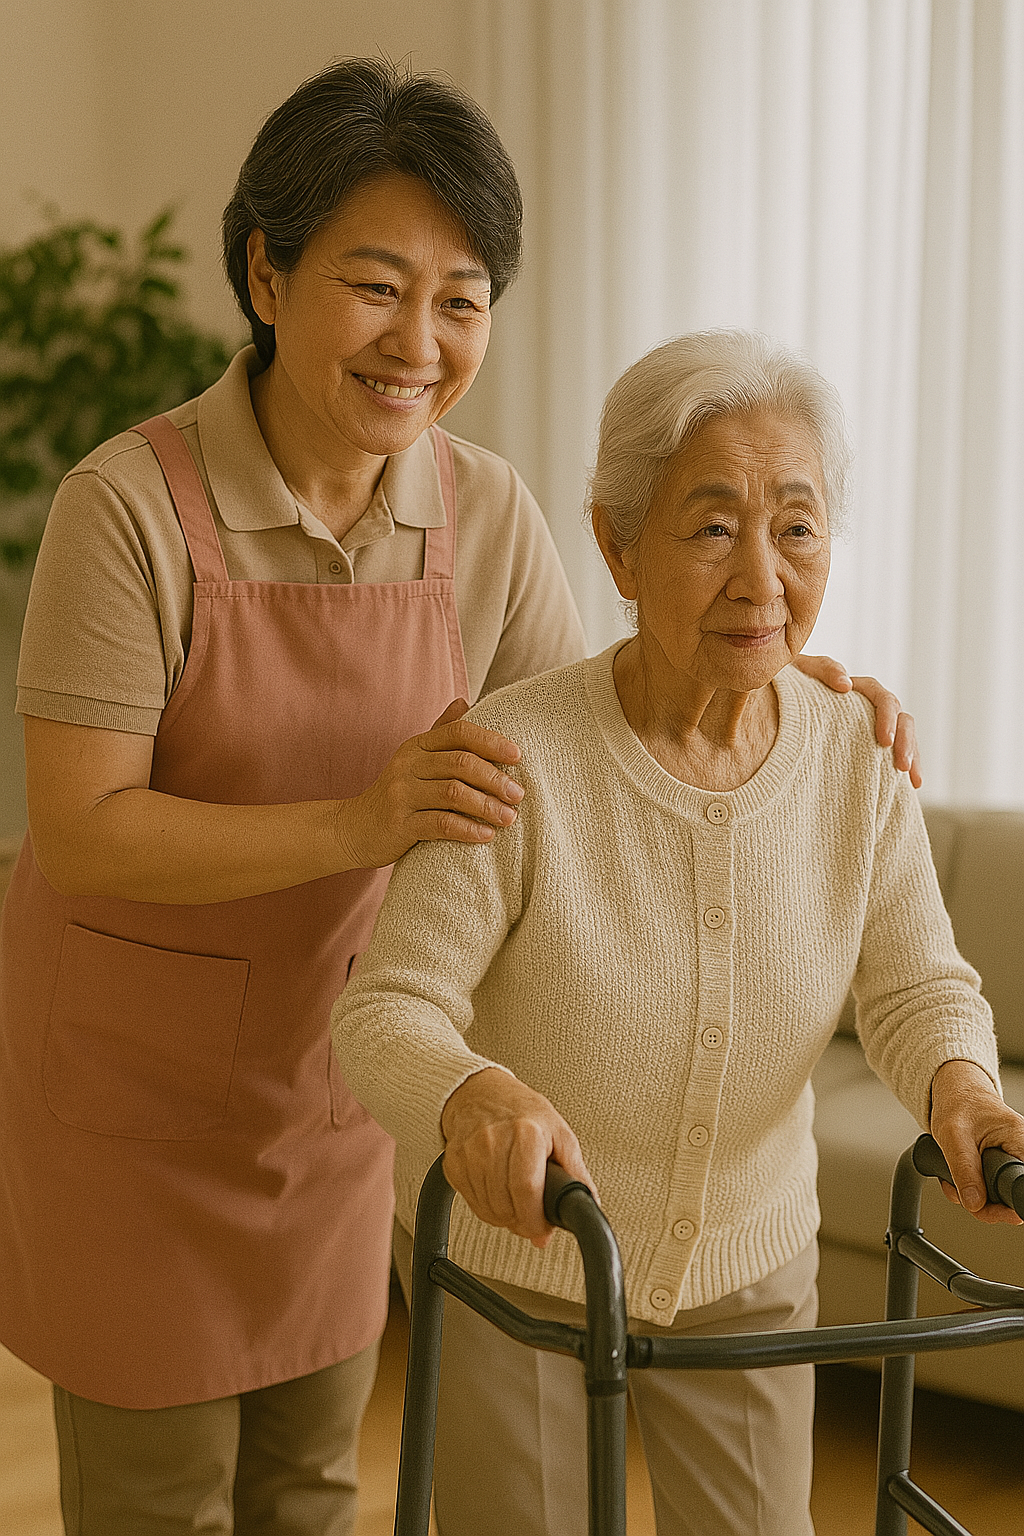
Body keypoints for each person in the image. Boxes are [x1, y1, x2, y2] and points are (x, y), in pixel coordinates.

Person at [0, 57, 913, 1536]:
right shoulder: (128, 505)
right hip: (134, 1109)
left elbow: (597, 731)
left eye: (462, 297)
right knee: (158, 1505)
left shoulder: (480, 510)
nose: (418, 341)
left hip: (338, 1088)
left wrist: (800, 687)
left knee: (311, 1487)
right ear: (267, 274)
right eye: (375, 285)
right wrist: (366, 823)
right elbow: (88, 830)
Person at [332, 329, 1024, 1536]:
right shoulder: (514, 757)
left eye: (796, 526)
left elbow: (915, 983)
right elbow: (387, 1008)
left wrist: (961, 1089)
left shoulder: (855, 761)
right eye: (710, 527)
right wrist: (471, 1094)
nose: (761, 575)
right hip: (522, 1258)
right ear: (617, 546)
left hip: (753, 1259)